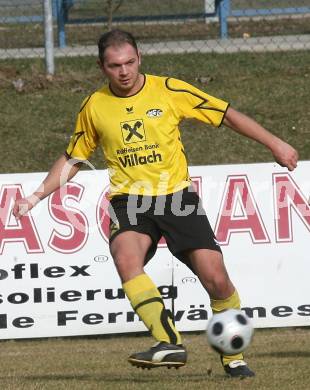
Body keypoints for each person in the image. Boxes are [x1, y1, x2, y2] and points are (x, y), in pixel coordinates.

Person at [13, 29, 298, 378]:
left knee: (217, 280)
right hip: (129, 201)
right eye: (115, 65)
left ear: (140, 58)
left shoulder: (169, 90)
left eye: (130, 62)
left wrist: (276, 144)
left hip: (176, 198)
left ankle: (232, 358)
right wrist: (36, 195)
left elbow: (225, 114)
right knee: (125, 256)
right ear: (102, 66)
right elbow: (73, 157)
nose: (124, 71)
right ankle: (168, 340)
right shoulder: (94, 106)